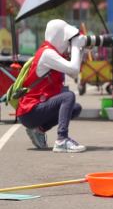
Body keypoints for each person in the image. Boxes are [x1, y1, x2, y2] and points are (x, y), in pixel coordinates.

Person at [17, 19, 87, 152]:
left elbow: (73, 73)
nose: (68, 41)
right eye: (67, 38)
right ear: (59, 37)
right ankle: (62, 140)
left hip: (35, 109)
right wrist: (76, 45)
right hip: (30, 110)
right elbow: (74, 69)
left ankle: (39, 130)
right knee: (68, 97)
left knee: (75, 108)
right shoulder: (47, 54)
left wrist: (80, 50)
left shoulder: (53, 53)